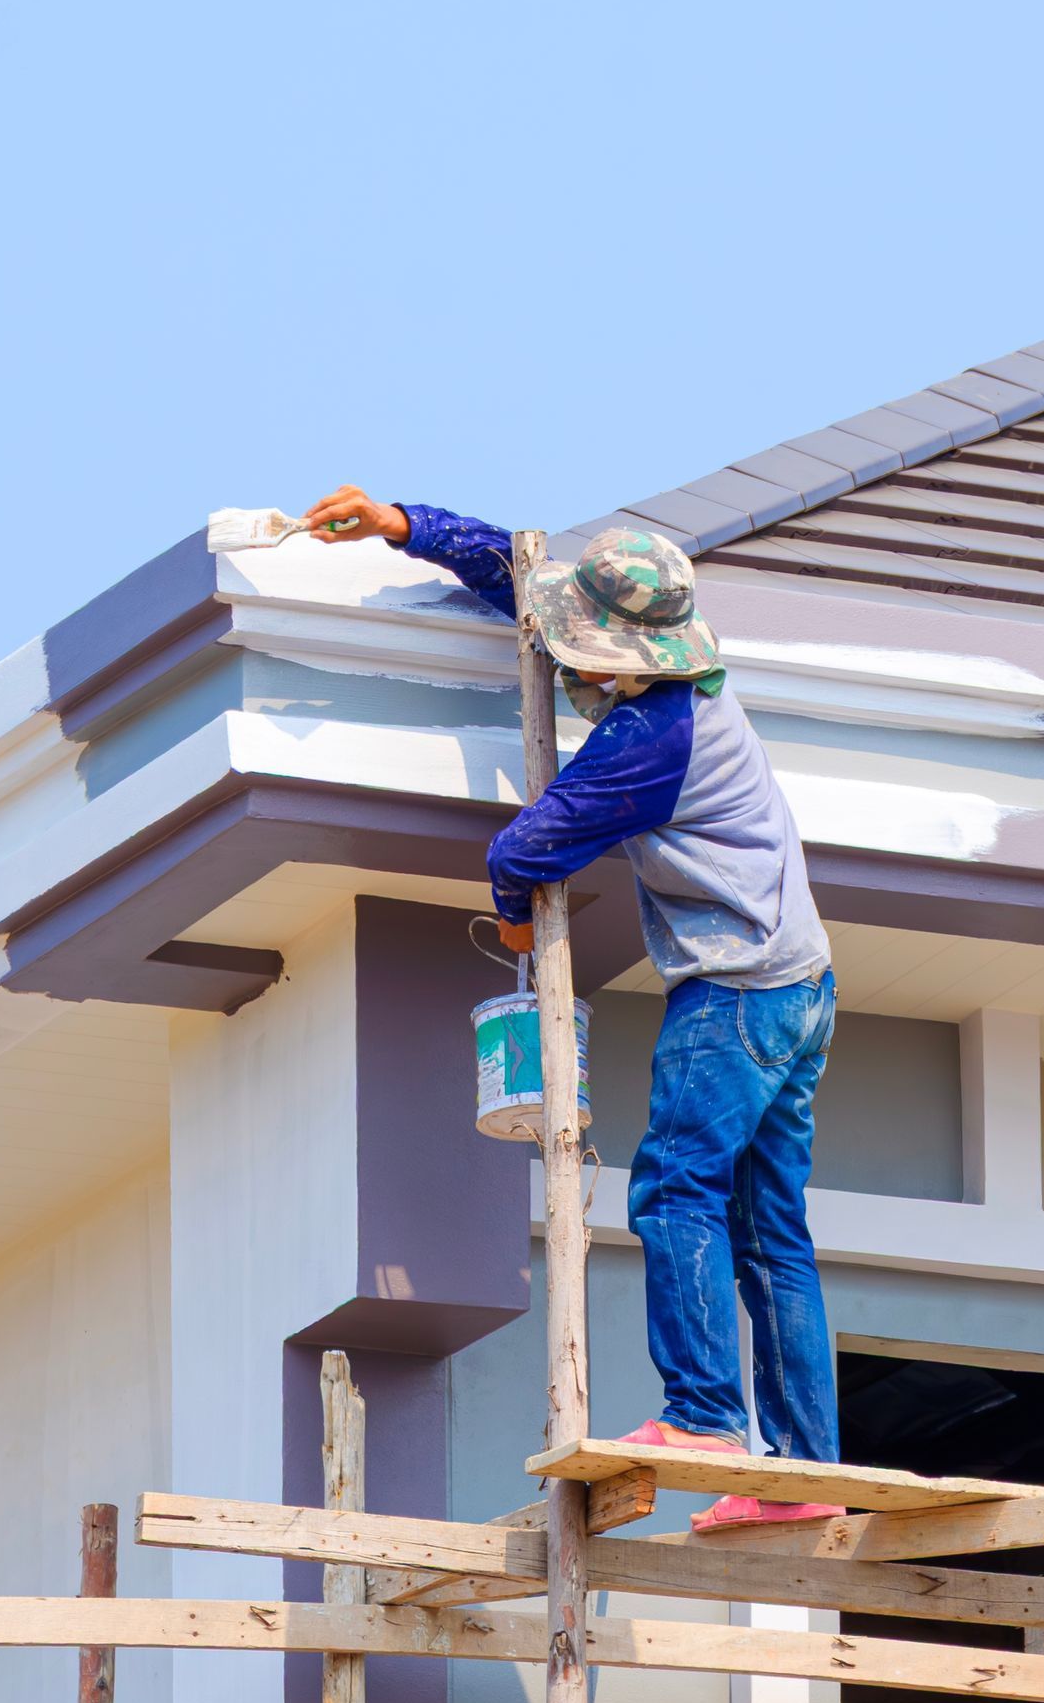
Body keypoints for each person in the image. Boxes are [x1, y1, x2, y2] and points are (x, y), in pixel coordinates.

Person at [303, 484, 842, 1533]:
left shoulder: (651, 742)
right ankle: (805, 1465)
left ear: (634, 659)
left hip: (732, 988)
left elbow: (528, 848)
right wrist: (403, 524)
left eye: (587, 651)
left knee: (677, 1193)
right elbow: (520, 573)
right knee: (772, 1230)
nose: (572, 661)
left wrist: (513, 920)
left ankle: (703, 1420)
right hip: (801, 983)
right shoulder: (687, 690)